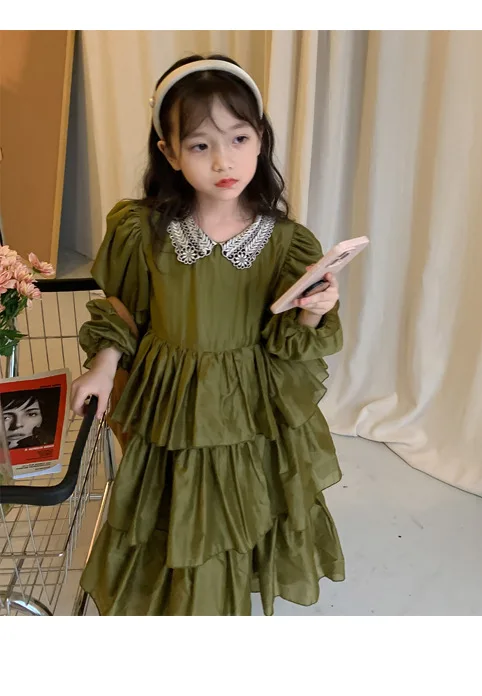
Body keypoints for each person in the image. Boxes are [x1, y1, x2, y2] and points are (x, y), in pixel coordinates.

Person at [71, 54, 346, 616]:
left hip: (248, 400)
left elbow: (288, 340)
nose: (224, 160)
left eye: (239, 138)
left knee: (243, 499)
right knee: (172, 500)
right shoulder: (142, 230)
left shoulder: (287, 242)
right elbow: (123, 309)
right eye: (200, 145)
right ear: (170, 153)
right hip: (170, 396)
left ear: (261, 139)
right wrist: (102, 365)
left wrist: (314, 310)